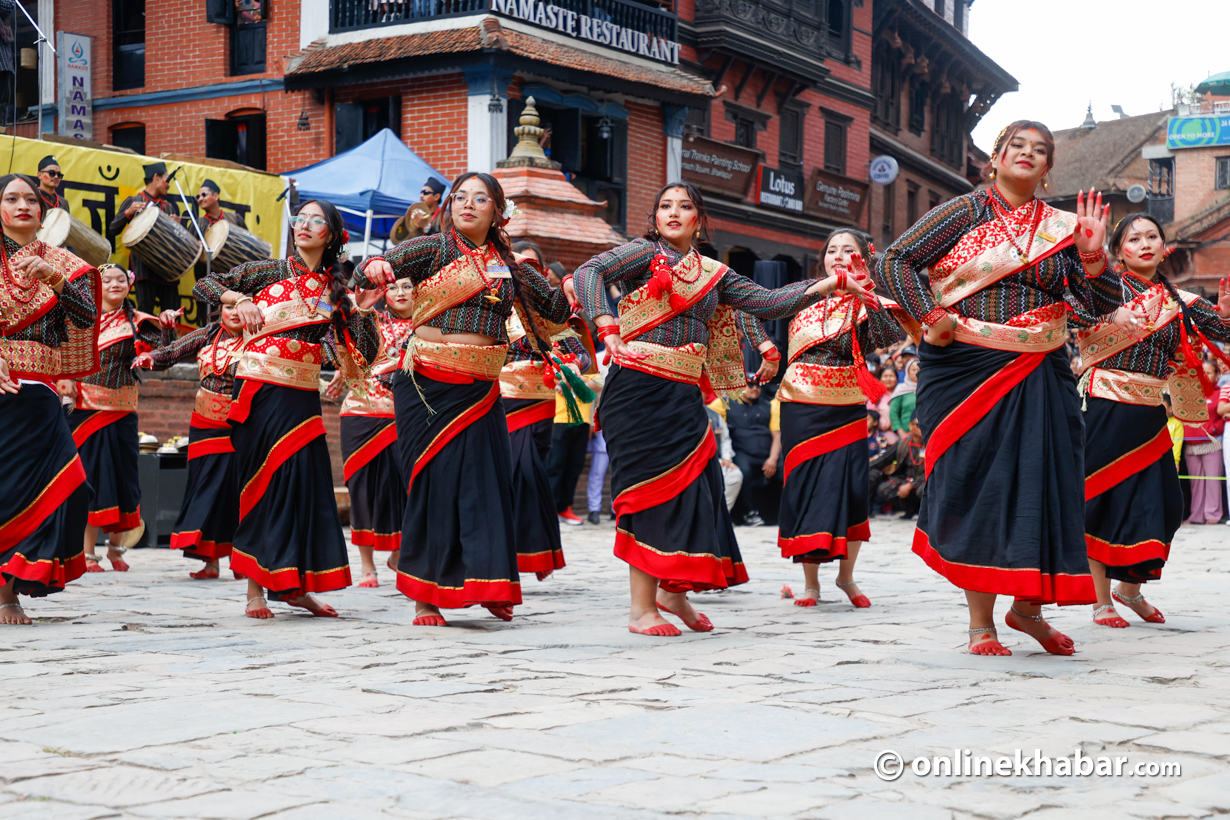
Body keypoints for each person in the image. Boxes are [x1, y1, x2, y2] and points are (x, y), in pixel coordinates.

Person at [879, 120, 1110, 657]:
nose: (1028, 155)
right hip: (964, 366)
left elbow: (1097, 306)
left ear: (1049, 169)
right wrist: (928, 312)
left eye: (1040, 151)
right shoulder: (964, 211)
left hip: (1040, 368)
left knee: (1048, 482)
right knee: (977, 482)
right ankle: (980, 623)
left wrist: (1095, 258)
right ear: (996, 158)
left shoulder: (1063, 227)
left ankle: (1027, 610)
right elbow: (894, 261)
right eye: (1018, 146)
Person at [572, 180, 833, 637]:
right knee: (647, 493)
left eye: (685, 205)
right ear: (654, 216)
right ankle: (640, 609)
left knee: (694, 488)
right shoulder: (640, 252)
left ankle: (673, 592)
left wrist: (829, 283)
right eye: (664, 205)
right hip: (635, 390)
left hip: (683, 394)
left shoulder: (714, 272)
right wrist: (605, 324)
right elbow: (588, 272)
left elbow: (767, 303)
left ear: (700, 218)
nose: (673, 212)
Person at [358, 172, 572, 626]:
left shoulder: (509, 266)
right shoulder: (432, 249)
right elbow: (373, 267)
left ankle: (489, 583)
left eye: (480, 198)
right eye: (460, 197)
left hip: (481, 387)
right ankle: (426, 596)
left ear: (498, 210)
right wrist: (372, 269)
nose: (467, 204)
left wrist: (571, 291)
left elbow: (553, 311)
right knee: (434, 484)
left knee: (488, 484)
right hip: (428, 386)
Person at [194, 199, 380, 619]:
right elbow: (204, 286)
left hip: (300, 398)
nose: (305, 225)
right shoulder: (268, 271)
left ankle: (297, 586)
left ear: (331, 233)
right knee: (262, 483)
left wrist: (364, 310)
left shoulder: (339, 289)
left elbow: (362, 352)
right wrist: (238, 298)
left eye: (316, 220)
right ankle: (255, 590)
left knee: (304, 487)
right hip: (258, 393)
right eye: (301, 218)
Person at [1077, 213, 1230, 628]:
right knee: (1100, 500)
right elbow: (1078, 307)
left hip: (1150, 411)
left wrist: (1228, 314)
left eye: (1152, 237)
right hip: (1105, 403)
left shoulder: (1181, 302)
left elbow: (1224, 330)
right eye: (1133, 238)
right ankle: (1100, 600)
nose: (1145, 244)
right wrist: (1093, 266)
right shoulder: (1104, 287)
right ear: (1118, 251)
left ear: (1165, 247)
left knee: (1165, 505)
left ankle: (1129, 590)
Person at [777, 228, 906, 610]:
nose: (837, 255)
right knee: (807, 487)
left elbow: (890, 333)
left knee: (849, 487)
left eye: (847, 250)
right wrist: (767, 347)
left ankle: (846, 576)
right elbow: (760, 309)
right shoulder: (804, 294)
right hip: (801, 405)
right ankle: (811, 584)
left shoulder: (868, 302)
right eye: (831, 249)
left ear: (862, 257)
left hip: (846, 405)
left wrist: (866, 291)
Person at [0, 173, 100, 625]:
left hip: (40, 393)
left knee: (68, 483)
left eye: (31, 200)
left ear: (43, 211)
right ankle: (6, 596)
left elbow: (85, 315)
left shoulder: (62, 261)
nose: (23, 205)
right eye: (11, 198)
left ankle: (19, 576)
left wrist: (55, 279)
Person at [68, 263, 175, 572]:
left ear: (130, 286)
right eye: (107, 280)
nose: (114, 284)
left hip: (122, 412)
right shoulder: (81, 320)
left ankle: (116, 548)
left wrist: (167, 328)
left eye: (120, 280)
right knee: (89, 479)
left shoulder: (140, 322)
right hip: (84, 411)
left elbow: (163, 359)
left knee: (124, 481)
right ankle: (87, 553)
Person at [133, 304, 246, 579]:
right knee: (205, 488)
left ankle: (242, 560)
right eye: (229, 305)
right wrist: (154, 352)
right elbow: (171, 353)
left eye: (242, 306)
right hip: (205, 423)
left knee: (237, 491)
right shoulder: (207, 334)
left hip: (241, 425)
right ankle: (210, 562)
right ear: (220, 308)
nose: (234, 312)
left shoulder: (259, 337)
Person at [323, 270, 415, 588]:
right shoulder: (370, 320)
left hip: (403, 417)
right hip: (360, 413)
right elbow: (347, 352)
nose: (401, 292)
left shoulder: (429, 327)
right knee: (360, 491)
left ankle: (398, 553)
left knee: (401, 489)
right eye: (394, 287)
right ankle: (367, 566)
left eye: (408, 286)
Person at [500, 238, 585, 579]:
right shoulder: (494, 305)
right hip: (502, 398)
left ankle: (535, 551)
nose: (526, 274)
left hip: (541, 401)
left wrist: (571, 363)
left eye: (532, 268)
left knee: (533, 472)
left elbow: (580, 351)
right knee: (519, 472)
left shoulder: (549, 311)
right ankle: (524, 551)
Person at [109, 162, 182, 315]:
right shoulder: (134, 200)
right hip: (144, 268)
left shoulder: (168, 206)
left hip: (168, 269)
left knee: (172, 315)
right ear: (156, 177)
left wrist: (177, 228)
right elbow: (113, 229)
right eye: (166, 179)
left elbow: (177, 241)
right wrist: (127, 213)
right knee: (145, 314)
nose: (168, 185)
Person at [719, 376, 779, 526]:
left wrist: (773, 458)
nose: (754, 388)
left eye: (758, 385)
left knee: (785, 471)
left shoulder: (768, 405)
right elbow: (709, 414)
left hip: (767, 453)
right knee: (742, 471)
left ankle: (785, 514)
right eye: (750, 385)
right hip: (741, 451)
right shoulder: (726, 404)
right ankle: (748, 513)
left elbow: (777, 435)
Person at [1182, 360, 1225, 525]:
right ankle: (1196, 515)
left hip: (1212, 444)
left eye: (1208, 372)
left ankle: (1213, 515)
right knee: (1196, 483)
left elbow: (1223, 416)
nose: (1204, 376)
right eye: (1201, 372)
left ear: (1216, 375)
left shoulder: (1219, 393)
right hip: (1191, 445)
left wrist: (1215, 429)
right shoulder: (1188, 394)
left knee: (1213, 481)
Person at [870, 415, 927, 520]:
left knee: (924, 490)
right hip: (905, 479)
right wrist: (862, 467)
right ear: (910, 426)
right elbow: (884, 459)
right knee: (885, 489)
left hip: (925, 481)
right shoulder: (903, 442)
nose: (922, 428)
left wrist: (911, 485)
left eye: (925, 424)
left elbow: (934, 470)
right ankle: (910, 509)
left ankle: (925, 513)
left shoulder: (931, 443)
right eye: (918, 425)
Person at [888, 359, 919, 439]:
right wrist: (901, 432)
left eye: (919, 369)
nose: (916, 372)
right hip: (906, 435)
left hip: (925, 435)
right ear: (907, 371)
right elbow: (893, 413)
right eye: (913, 370)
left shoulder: (927, 387)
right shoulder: (901, 389)